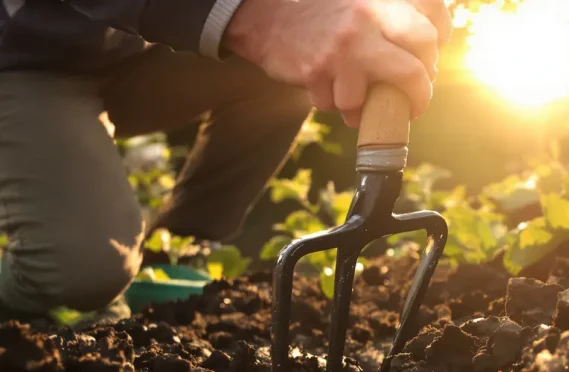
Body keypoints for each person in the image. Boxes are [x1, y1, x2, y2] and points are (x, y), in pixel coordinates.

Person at [0, 0, 451, 321]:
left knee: (289, 70)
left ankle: (173, 251)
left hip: (126, 50)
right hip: (21, 60)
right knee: (78, 272)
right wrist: (265, 18)